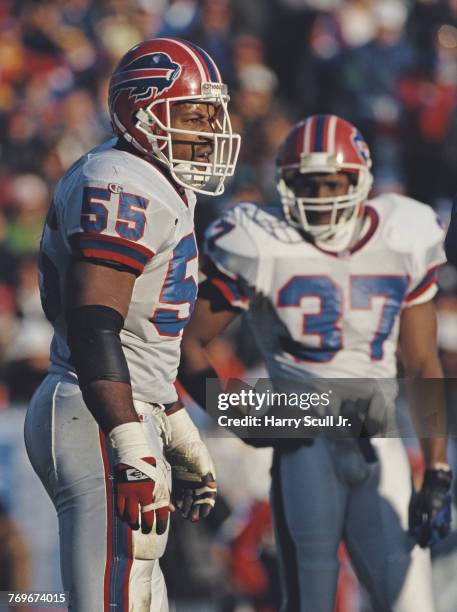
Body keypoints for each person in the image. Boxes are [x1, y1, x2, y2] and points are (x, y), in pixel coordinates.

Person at [179, 114, 452, 611]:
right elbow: (186, 346)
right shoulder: (260, 242)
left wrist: (436, 467)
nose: (322, 196)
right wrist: (241, 417)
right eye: (309, 183)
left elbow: (421, 360)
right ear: (286, 184)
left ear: (359, 181)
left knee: (413, 603)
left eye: (332, 182)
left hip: (379, 434)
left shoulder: (402, 235)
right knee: (311, 598)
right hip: (303, 435)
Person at [24, 37, 240, 612]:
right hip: (97, 407)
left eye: (212, 115)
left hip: (123, 404)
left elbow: (138, 335)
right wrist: (127, 439)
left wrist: (171, 417)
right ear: (139, 112)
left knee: (140, 597)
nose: (208, 129)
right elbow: (96, 325)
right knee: (111, 598)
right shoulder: (123, 180)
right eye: (191, 114)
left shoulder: (155, 179)